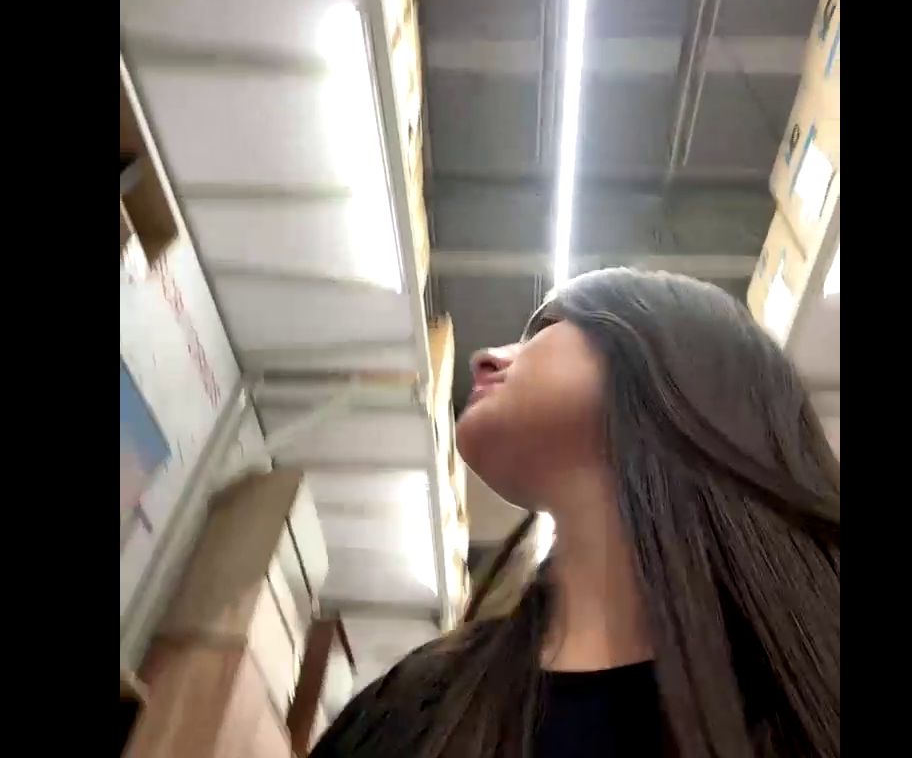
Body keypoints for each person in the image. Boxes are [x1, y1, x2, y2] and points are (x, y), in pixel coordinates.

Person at [310, 268, 840, 758]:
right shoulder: (414, 705)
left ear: (678, 364)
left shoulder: (809, 690)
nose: (484, 359)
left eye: (546, 327)